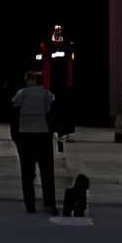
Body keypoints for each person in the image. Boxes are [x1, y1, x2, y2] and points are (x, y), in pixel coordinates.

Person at [11, 68, 58, 214]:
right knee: (46, 170)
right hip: (42, 134)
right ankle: (49, 201)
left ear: (28, 80)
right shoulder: (46, 93)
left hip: (26, 134)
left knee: (27, 172)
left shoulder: (22, 93)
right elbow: (52, 103)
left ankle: (30, 204)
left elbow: (14, 104)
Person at [37, 22, 75, 150]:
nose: (58, 33)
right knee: (51, 107)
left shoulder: (67, 46)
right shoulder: (46, 45)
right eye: (55, 30)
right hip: (51, 83)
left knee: (63, 107)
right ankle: (51, 129)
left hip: (63, 83)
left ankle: (63, 131)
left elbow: (69, 60)